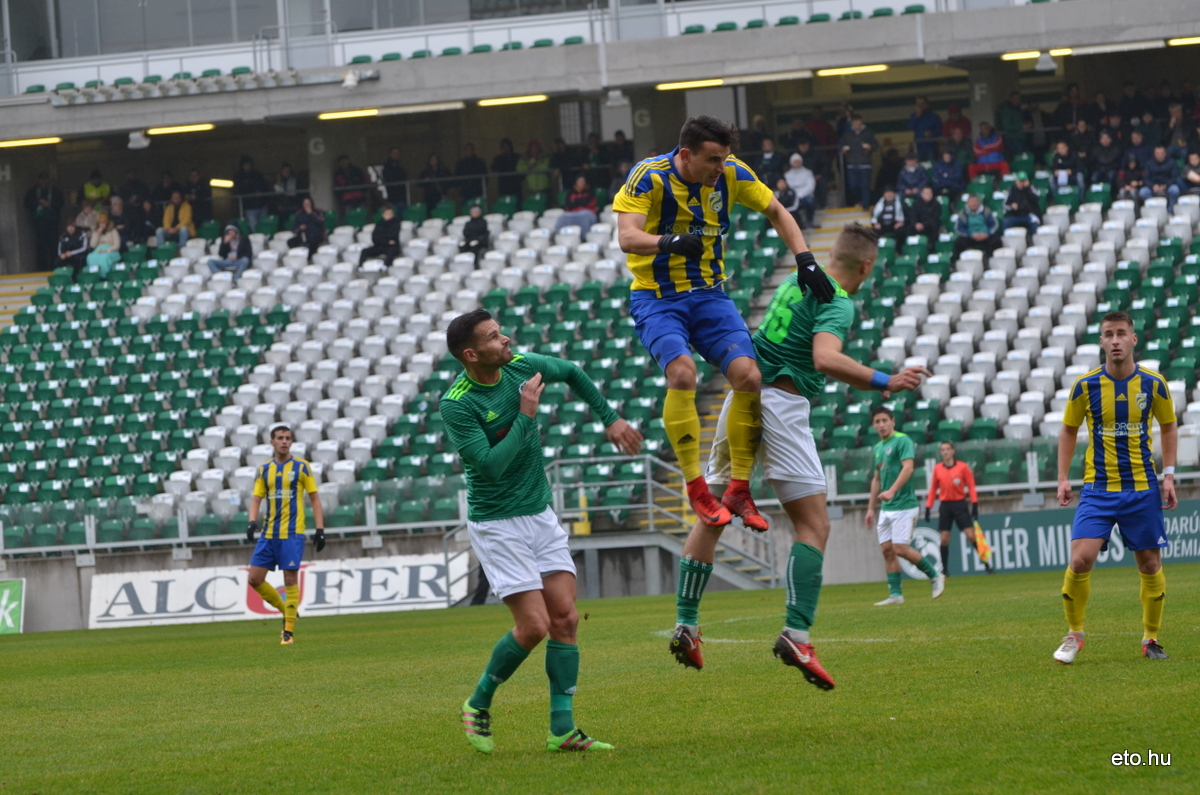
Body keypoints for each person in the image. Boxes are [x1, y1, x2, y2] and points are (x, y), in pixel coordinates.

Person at [668, 224, 930, 684]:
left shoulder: (794, 279)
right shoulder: (838, 301)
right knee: (814, 525)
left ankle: (686, 624)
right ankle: (796, 633)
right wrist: (885, 381)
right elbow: (825, 358)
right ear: (867, 266)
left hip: (741, 398)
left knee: (714, 512)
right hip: (781, 405)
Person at [613, 115, 833, 531]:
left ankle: (738, 489)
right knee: (683, 373)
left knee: (749, 375)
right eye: (712, 159)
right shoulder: (649, 176)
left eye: (724, 158)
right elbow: (627, 236)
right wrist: (669, 241)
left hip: (711, 296)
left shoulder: (732, 173)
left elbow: (776, 209)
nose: (720, 167)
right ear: (686, 154)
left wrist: (805, 259)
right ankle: (696, 487)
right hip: (658, 298)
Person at [443, 309, 642, 754]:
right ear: (471, 354)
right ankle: (478, 702)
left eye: (501, 331)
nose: (506, 339)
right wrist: (526, 415)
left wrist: (610, 417)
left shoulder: (520, 366)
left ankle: (562, 730)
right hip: (498, 522)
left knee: (565, 619)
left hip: (539, 514)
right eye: (494, 337)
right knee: (533, 626)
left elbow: (571, 371)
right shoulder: (457, 403)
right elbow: (491, 468)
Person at [1053, 311, 1176, 664]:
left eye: (1122, 333)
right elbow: (1068, 430)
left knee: (1150, 566)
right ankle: (1074, 634)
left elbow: (1168, 426)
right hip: (1098, 489)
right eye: (1109, 334)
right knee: (1080, 560)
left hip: (1142, 488)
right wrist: (1063, 477)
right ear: (1102, 341)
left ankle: (1151, 638)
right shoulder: (1085, 386)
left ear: (1133, 339)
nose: (1116, 340)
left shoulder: (1154, 383)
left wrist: (1168, 475)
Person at [246, 424, 325, 646]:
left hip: (292, 533)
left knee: (290, 579)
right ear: (272, 442)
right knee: (254, 579)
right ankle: (287, 610)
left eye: (288, 438)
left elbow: (314, 498)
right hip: (268, 534)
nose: (284, 441)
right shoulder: (264, 470)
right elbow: (256, 499)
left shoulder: (302, 467)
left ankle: (288, 632)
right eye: (280, 438)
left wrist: (320, 530)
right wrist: (252, 521)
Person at [866, 406, 945, 605]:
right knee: (887, 550)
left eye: (884, 420)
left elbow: (908, 468)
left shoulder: (903, 440)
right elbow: (876, 479)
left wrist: (892, 490)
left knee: (900, 549)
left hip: (904, 505)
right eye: (877, 421)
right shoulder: (878, 448)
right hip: (886, 509)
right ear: (873, 425)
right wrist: (870, 508)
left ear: (893, 421)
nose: (881, 425)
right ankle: (896, 594)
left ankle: (935, 575)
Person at [924, 441, 988, 576]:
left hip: (960, 504)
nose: (945, 452)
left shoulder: (962, 467)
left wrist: (974, 503)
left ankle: (986, 564)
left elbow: (971, 485)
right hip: (945, 506)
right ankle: (945, 570)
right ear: (941, 453)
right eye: (943, 450)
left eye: (948, 449)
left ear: (953, 451)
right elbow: (933, 488)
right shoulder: (937, 469)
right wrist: (928, 506)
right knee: (944, 538)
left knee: (971, 535)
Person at [24, 173, 64, 270]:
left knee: (53, 247)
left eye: (45, 179)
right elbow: (26, 204)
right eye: (41, 179)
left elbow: (61, 203)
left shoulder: (55, 191)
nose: (43, 181)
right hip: (39, 224)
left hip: (52, 223)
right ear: (38, 180)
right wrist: (38, 202)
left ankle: (54, 267)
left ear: (48, 180)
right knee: (40, 248)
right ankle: (41, 269)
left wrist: (50, 204)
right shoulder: (33, 192)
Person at [839, 114, 878, 210]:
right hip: (851, 164)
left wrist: (870, 147)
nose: (856, 125)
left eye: (858, 123)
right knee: (853, 186)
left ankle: (866, 206)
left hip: (865, 164)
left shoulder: (868, 132)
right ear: (851, 123)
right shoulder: (847, 134)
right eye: (855, 123)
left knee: (865, 186)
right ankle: (859, 201)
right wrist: (843, 150)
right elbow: (841, 146)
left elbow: (876, 146)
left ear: (861, 122)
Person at [953, 193, 1000, 258]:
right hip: (971, 237)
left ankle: (989, 257)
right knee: (959, 243)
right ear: (967, 203)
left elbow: (994, 224)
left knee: (996, 241)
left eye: (975, 201)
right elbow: (959, 228)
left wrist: (987, 233)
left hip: (985, 235)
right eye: (972, 202)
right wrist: (971, 235)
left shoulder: (986, 211)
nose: (974, 204)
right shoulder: (963, 214)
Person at [233, 156, 271, 231]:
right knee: (253, 226)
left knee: (264, 225)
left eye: (249, 164)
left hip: (261, 205)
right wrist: (252, 192)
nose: (248, 166)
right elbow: (239, 190)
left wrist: (261, 193)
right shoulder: (239, 176)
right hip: (250, 207)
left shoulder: (257, 174)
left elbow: (265, 186)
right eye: (246, 164)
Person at [1141, 145, 1181, 213]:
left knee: (1175, 190)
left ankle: (1170, 212)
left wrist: (1166, 185)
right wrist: (1152, 186)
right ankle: (1154, 211)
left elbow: (1174, 177)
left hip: (1167, 186)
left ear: (1165, 153)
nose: (1160, 156)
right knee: (1143, 192)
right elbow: (1146, 178)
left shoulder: (1172, 162)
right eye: (1158, 154)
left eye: (1162, 153)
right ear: (1154, 154)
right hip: (1153, 187)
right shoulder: (1149, 163)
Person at [1001, 172, 1041, 239]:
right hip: (1015, 215)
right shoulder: (1011, 190)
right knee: (1006, 222)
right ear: (1016, 181)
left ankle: (1035, 240)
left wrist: (1028, 188)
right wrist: (1011, 206)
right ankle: (1008, 241)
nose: (1022, 183)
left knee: (1035, 221)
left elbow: (1037, 198)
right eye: (1020, 181)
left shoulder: (1031, 188)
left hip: (1029, 214)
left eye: (1023, 181)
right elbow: (1005, 204)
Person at [795, 135, 830, 209]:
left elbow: (826, 163)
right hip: (802, 179)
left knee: (821, 183)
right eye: (801, 146)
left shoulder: (816, 154)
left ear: (808, 145)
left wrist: (821, 174)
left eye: (805, 145)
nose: (803, 147)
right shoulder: (797, 156)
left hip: (816, 176)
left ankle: (822, 204)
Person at [782, 153, 816, 228]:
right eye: (795, 162)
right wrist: (795, 195)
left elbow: (810, 186)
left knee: (810, 202)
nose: (796, 163)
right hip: (792, 197)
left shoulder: (808, 173)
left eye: (798, 161)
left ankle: (809, 221)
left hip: (805, 195)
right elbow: (789, 187)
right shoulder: (787, 175)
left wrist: (801, 194)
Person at [907, 96, 942, 163]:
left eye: (922, 104)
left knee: (930, 165)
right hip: (918, 146)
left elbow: (939, 130)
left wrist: (932, 134)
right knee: (919, 165)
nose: (920, 106)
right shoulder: (914, 116)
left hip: (930, 146)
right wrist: (917, 117)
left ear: (927, 104)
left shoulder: (934, 116)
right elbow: (910, 127)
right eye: (919, 104)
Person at [998, 91, 1028, 157]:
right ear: (1010, 99)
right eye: (1015, 99)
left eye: (1019, 99)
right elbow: (1007, 126)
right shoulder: (1006, 110)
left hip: (1020, 138)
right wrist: (1022, 126)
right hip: (1013, 139)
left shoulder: (1018, 110)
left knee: (1024, 157)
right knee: (1019, 158)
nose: (1017, 101)